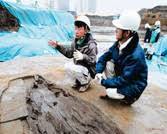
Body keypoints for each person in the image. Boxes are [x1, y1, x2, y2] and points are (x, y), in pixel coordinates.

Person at [95, 11, 148, 105]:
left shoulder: (136, 55)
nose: (115, 30)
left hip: (134, 85)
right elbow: (104, 57)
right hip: (124, 76)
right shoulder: (118, 44)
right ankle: (112, 91)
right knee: (108, 63)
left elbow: (124, 79)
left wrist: (103, 82)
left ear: (127, 33)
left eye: (118, 29)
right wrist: (98, 71)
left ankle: (130, 97)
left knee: (111, 92)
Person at [48, 15, 98, 92]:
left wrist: (83, 57)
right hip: (80, 67)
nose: (76, 31)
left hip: (89, 70)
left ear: (86, 30)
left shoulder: (91, 44)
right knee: (67, 67)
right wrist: (58, 46)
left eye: (79, 29)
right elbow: (69, 54)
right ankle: (79, 81)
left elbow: (93, 61)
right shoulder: (76, 41)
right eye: (75, 28)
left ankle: (86, 82)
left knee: (74, 68)